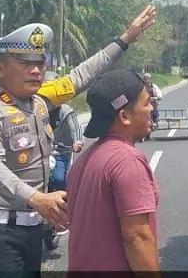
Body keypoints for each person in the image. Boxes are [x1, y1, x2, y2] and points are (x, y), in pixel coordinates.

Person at [0, 4, 158, 274]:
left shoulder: (39, 101)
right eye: (24, 63)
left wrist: (124, 40)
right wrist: (38, 199)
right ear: (0, 67)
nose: (36, 71)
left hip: (29, 230)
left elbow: (80, 76)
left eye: (40, 63)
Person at [65, 68, 160, 272]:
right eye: (146, 103)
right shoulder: (128, 161)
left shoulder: (85, 160)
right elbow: (137, 238)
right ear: (124, 116)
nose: (151, 108)